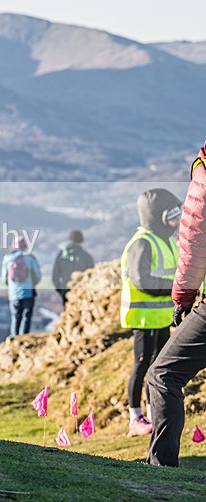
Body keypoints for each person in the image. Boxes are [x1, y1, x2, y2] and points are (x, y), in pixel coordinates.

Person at [147, 147, 206, 466]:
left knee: (162, 375)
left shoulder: (204, 177)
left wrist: (183, 299)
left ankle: (161, 465)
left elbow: (195, 246)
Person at [120, 188, 181, 437]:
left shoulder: (167, 241)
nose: (176, 221)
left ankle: (153, 413)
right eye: (171, 215)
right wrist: (175, 288)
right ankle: (135, 417)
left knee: (158, 368)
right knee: (142, 366)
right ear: (157, 216)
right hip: (144, 318)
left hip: (162, 317)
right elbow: (142, 280)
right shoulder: (142, 242)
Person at [2, 235, 41, 337]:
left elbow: (4, 278)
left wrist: (12, 286)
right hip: (28, 292)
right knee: (26, 316)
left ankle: (14, 338)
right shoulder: (29, 258)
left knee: (15, 317)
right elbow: (38, 276)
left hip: (13, 294)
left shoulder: (7, 259)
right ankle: (23, 338)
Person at [51, 230, 94, 307]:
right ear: (81, 240)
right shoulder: (86, 256)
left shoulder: (60, 256)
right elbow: (92, 275)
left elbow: (55, 276)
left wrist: (60, 290)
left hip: (65, 289)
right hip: (81, 291)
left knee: (68, 315)